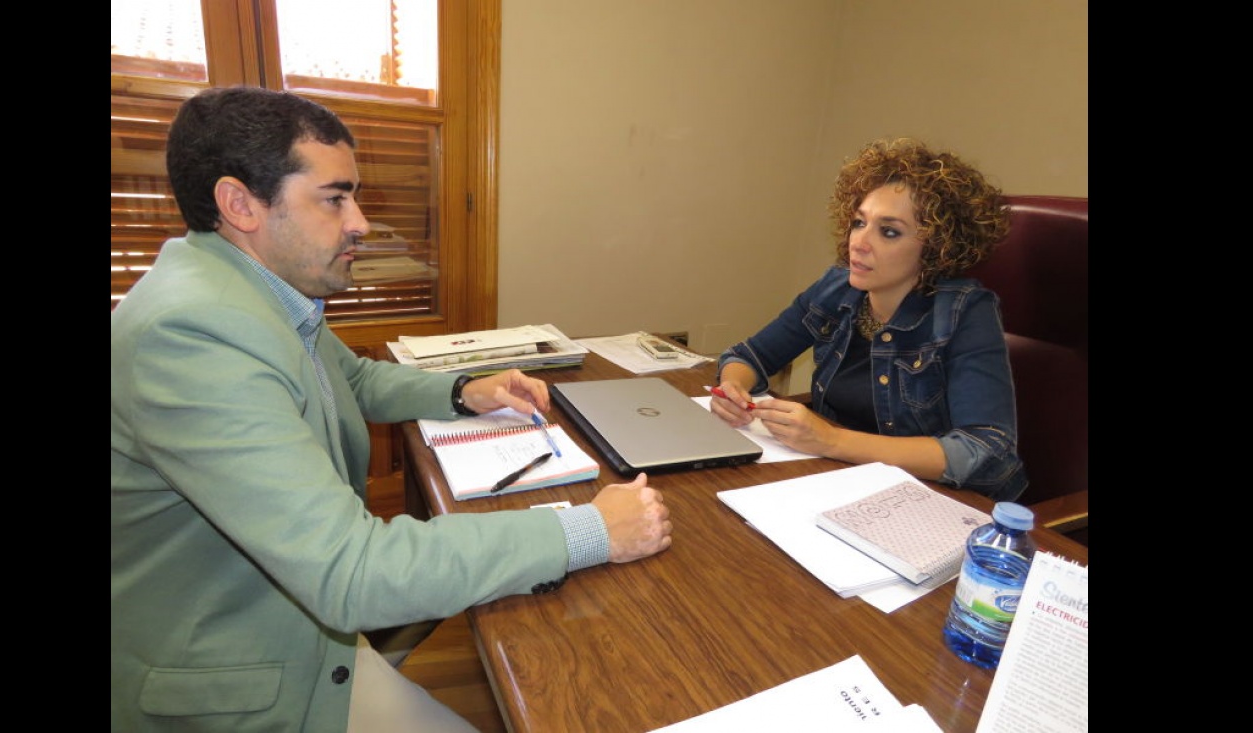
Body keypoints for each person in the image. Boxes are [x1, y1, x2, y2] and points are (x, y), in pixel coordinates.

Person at [110, 86, 673, 732]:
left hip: (290, 608)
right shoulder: (193, 333)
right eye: (334, 197)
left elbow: (355, 379)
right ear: (241, 204)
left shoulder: (248, 289)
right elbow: (353, 570)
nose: (360, 222)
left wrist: (465, 391)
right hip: (241, 671)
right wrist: (589, 530)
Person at [710, 137, 1027, 502]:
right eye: (859, 222)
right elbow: (749, 356)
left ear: (937, 248)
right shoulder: (836, 287)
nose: (858, 242)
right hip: (844, 481)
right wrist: (732, 391)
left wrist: (832, 440)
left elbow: (983, 448)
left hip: (941, 501)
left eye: (888, 231)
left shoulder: (965, 311)